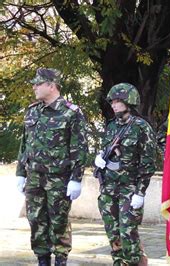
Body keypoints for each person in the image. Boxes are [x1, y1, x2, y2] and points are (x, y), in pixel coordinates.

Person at [15, 68, 88, 266]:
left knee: (59, 221)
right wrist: (20, 173)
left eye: (38, 84)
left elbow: (79, 149)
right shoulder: (32, 111)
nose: (34, 87)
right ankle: (42, 259)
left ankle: (61, 260)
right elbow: (25, 144)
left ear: (51, 86)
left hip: (59, 178)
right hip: (34, 178)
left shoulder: (71, 113)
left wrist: (76, 178)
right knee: (36, 220)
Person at [94, 83, 157, 266]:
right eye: (112, 101)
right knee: (113, 234)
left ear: (128, 102)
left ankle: (137, 262)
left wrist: (140, 192)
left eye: (118, 101)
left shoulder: (141, 127)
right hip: (109, 188)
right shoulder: (112, 126)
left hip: (129, 189)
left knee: (128, 233)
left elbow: (148, 163)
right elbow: (105, 150)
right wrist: (99, 159)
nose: (113, 105)